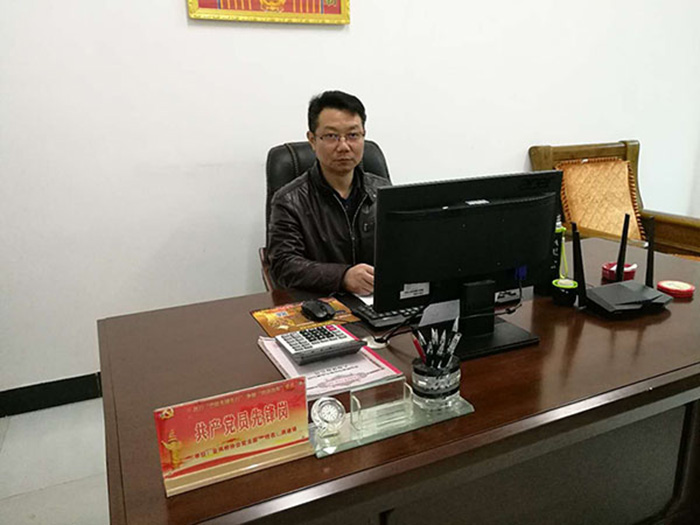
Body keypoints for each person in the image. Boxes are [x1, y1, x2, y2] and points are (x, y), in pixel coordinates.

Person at [267, 90, 390, 295]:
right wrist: (343, 277)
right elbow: (284, 265)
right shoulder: (289, 200)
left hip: (376, 301)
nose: (344, 146)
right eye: (332, 136)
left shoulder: (382, 190)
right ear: (312, 140)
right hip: (322, 304)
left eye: (353, 135)